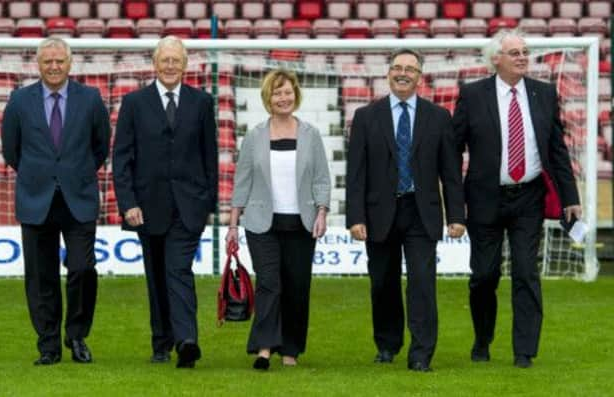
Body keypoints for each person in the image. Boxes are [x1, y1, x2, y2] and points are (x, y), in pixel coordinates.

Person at [452, 29, 582, 368]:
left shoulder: (543, 93)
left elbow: (556, 149)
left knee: (526, 272)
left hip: (529, 198)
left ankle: (524, 351)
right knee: (484, 275)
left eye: (525, 51)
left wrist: (570, 196)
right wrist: (452, 203)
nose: (523, 57)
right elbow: (453, 150)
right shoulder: (472, 95)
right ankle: (483, 338)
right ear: (495, 58)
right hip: (484, 200)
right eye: (515, 52)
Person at [346, 49, 466, 372]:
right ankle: (387, 344)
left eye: (410, 69)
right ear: (388, 73)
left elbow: (451, 173)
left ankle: (421, 353)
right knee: (382, 282)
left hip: (421, 211)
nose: (403, 73)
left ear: (419, 76)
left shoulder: (439, 117)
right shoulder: (366, 117)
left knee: (422, 283)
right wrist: (355, 217)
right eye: (397, 67)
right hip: (378, 213)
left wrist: (457, 215)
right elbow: (356, 173)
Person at [1, 38, 110, 365]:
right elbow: (11, 150)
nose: (53, 66)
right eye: (47, 61)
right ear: (38, 64)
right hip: (36, 199)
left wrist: (74, 173)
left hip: (79, 198)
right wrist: (42, 175)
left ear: (70, 63)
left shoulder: (90, 99)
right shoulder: (19, 100)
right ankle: (48, 344)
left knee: (82, 268)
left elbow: (100, 146)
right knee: (40, 276)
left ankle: (76, 336)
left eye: (59, 61)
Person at [112, 36, 218, 368]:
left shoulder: (201, 103)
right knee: (156, 276)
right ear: (154, 64)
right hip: (146, 207)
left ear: (185, 65)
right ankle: (161, 341)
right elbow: (122, 159)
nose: (170, 65)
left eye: (176, 60)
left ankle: (187, 340)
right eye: (165, 60)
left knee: (178, 270)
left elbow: (209, 157)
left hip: (188, 207)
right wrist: (128, 203)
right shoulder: (134, 103)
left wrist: (207, 204)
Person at [225, 69, 331, 371]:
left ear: (295, 95)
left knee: (297, 286)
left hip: (302, 223)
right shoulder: (255, 136)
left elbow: (322, 178)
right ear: (267, 98)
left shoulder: (311, 135)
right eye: (277, 93)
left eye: (287, 92)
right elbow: (242, 181)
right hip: (261, 224)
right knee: (269, 284)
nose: (283, 98)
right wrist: (233, 225)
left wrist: (322, 210)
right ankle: (264, 348)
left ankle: (291, 349)